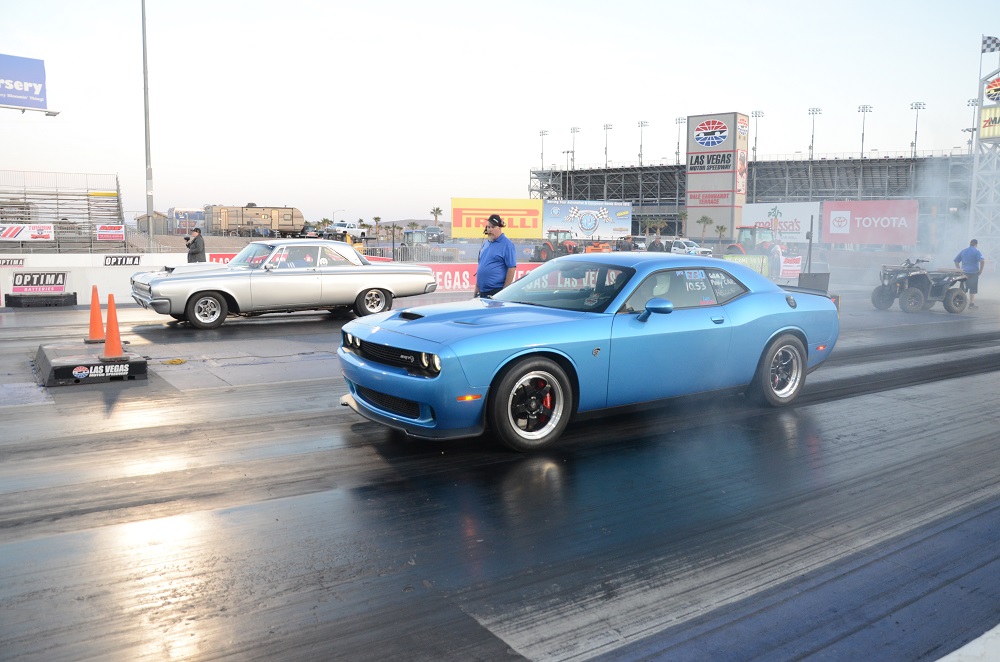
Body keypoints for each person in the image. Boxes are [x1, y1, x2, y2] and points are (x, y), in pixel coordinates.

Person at [474, 214, 516, 297]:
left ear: (500, 228)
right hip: (482, 290)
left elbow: (511, 268)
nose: (490, 230)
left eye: (493, 227)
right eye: (488, 227)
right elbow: (481, 265)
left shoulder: (507, 244)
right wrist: (476, 288)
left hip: (496, 291)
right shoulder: (486, 243)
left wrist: (504, 292)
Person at [954, 238, 985, 309]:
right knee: (972, 289)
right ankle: (971, 304)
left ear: (970, 243)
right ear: (976, 244)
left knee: (963, 289)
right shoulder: (977, 251)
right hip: (973, 273)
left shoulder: (963, 251)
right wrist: (980, 271)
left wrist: (959, 269)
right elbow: (982, 261)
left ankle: (958, 303)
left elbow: (956, 261)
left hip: (964, 273)